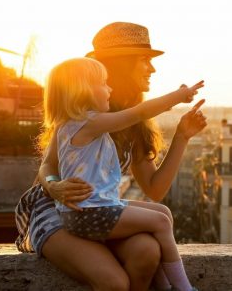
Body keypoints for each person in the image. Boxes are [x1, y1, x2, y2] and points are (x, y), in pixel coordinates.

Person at [15, 22, 207, 291]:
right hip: (59, 211)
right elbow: (48, 164)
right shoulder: (82, 117)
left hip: (99, 208)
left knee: (147, 252)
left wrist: (182, 137)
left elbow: (155, 188)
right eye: (145, 61)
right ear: (121, 65)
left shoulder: (135, 123)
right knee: (113, 282)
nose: (152, 69)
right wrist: (54, 185)